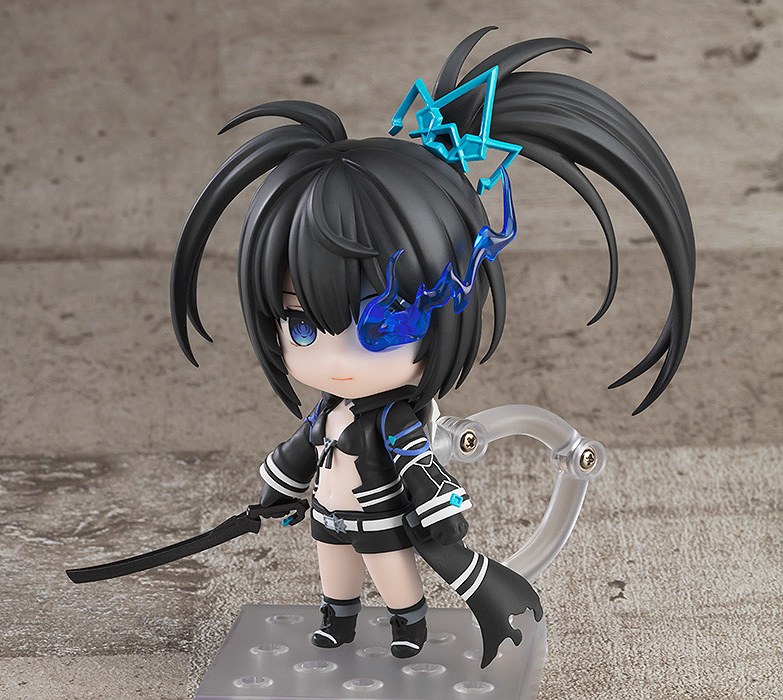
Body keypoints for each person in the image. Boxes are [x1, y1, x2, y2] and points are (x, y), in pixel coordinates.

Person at [170, 27, 694, 659]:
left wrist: (441, 526)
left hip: (382, 519)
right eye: (301, 325)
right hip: (330, 515)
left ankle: (408, 626)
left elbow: (419, 467)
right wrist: (277, 494)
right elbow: (299, 451)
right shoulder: (327, 414)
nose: (335, 359)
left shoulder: (393, 420)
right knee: (335, 568)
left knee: (391, 572)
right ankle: (338, 621)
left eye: (383, 326)